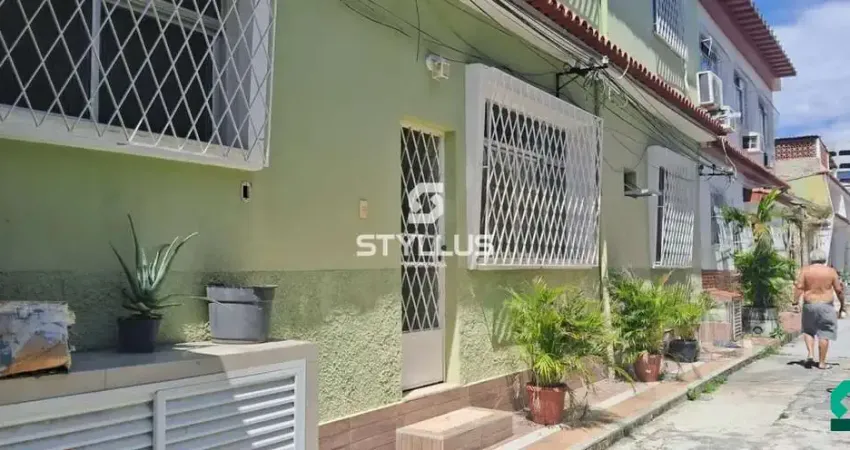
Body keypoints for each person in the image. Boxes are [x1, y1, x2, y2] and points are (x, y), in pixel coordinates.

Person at [793, 249, 845, 369]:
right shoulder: (831, 272)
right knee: (824, 333)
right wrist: (842, 305)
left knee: (808, 330)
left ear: (811, 259)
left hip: (809, 304)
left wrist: (795, 302)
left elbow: (799, 287)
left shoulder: (805, 271)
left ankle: (810, 354)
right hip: (826, 305)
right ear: (824, 259)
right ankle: (821, 363)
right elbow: (839, 290)